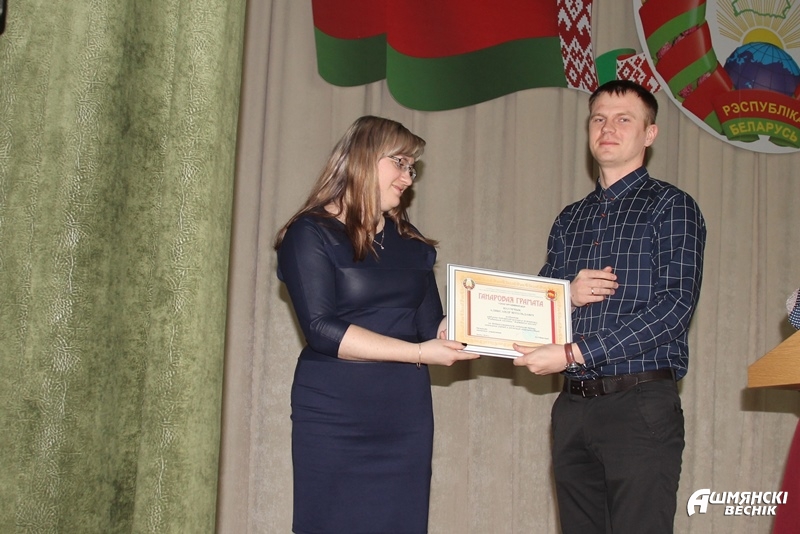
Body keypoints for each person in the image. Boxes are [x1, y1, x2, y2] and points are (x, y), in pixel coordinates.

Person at [513, 80, 706, 533]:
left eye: (623, 119)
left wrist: (574, 352)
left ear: (649, 134)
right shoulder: (570, 218)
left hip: (638, 404)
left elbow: (675, 308)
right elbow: (539, 306)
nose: (607, 128)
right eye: (598, 118)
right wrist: (566, 293)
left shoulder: (672, 206)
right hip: (573, 406)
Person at [274, 115, 479, 534]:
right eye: (399, 163)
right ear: (363, 159)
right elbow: (321, 329)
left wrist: (492, 321)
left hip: (404, 413)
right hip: (334, 411)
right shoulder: (310, 233)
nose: (407, 178)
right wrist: (418, 353)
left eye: (411, 168)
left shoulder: (409, 241)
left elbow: (431, 326)